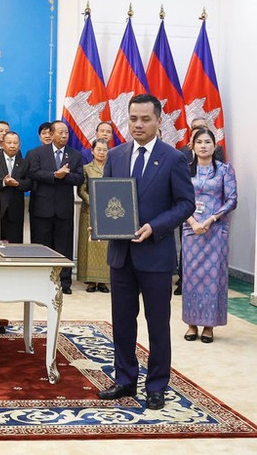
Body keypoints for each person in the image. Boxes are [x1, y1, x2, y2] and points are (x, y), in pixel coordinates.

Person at [98, 94, 194, 411]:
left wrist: (155, 226)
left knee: (157, 324)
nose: (138, 125)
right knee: (122, 322)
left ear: (158, 121)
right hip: (121, 255)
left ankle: (156, 385)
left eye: (145, 119)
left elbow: (185, 204)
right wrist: (100, 224)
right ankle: (125, 379)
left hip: (155, 255)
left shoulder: (174, 158)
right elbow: (108, 199)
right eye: (133, 119)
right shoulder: (115, 155)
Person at [181, 128, 237, 344]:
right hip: (191, 229)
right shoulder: (185, 170)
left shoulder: (224, 170)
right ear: (193, 146)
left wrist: (211, 219)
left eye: (208, 142)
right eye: (199, 142)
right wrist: (193, 221)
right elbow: (179, 199)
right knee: (191, 277)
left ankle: (209, 326)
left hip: (216, 231)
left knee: (213, 279)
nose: (203, 146)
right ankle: (191, 324)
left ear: (215, 146)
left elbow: (232, 199)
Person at [26, 120, 84, 293]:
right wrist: (54, 175)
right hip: (41, 208)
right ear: (51, 134)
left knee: (63, 246)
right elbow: (33, 173)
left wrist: (64, 176)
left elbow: (79, 178)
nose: (64, 136)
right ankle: (39, 282)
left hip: (64, 209)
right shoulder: (36, 153)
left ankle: (64, 283)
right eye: (61, 132)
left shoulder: (75, 155)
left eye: (66, 133)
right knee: (41, 247)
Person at [0, 130, 31, 243]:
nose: (12, 146)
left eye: (15, 143)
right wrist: (3, 182)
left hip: (16, 211)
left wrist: (17, 183)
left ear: (20, 145)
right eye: (9, 143)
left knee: (15, 245)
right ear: (3, 143)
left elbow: (29, 183)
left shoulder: (24, 162)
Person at [77, 138, 110, 293]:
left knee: (105, 246)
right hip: (89, 211)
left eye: (104, 150)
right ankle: (90, 281)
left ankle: (103, 281)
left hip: (108, 212)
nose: (101, 152)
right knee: (89, 245)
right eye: (99, 149)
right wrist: (93, 201)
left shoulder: (111, 168)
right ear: (92, 151)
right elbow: (81, 190)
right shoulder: (86, 168)